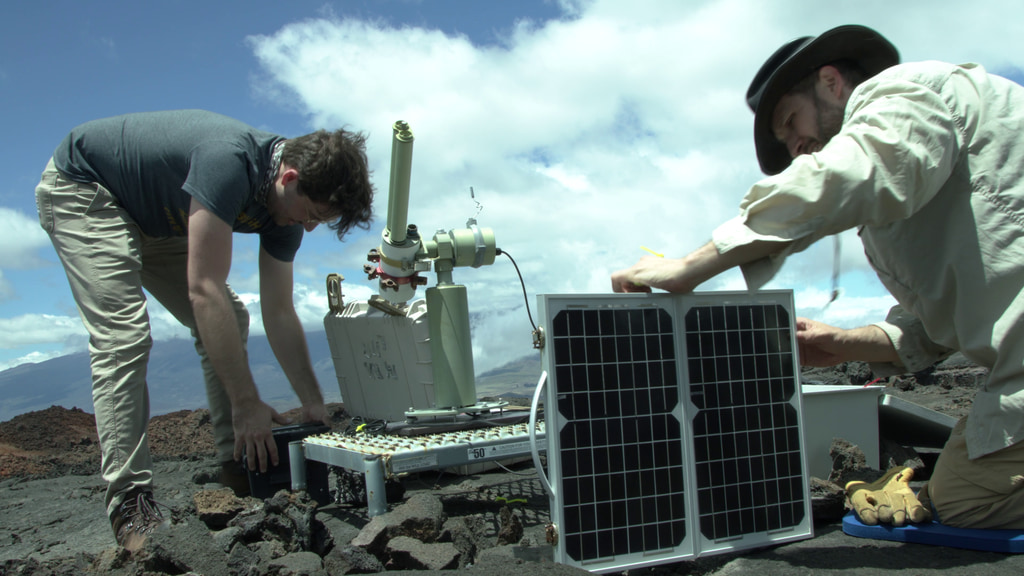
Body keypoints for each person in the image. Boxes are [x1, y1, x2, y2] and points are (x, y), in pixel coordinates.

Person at [611, 24, 1024, 530]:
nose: (796, 149)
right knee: (959, 488)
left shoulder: (902, 93)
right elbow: (932, 326)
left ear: (831, 82)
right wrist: (844, 343)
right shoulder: (898, 207)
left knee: (966, 502)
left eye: (790, 122)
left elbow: (846, 174)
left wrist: (690, 266)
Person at [34, 109, 375, 550]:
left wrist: (312, 402)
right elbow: (203, 288)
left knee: (231, 320)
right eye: (311, 213)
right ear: (289, 178)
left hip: (156, 217)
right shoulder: (228, 162)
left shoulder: (286, 213)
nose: (309, 227)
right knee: (124, 335)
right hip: (88, 187)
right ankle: (130, 502)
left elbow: (279, 311)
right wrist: (246, 401)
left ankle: (239, 472)